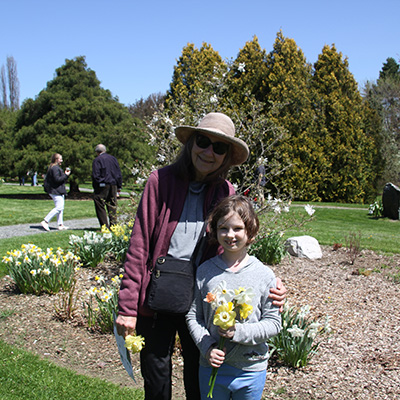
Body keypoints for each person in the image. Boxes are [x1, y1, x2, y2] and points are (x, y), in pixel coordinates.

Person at [116, 112, 287, 400]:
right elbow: (139, 245)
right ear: (191, 143)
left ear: (226, 157)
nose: (209, 152)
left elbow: (233, 244)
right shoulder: (161, 181)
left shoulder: (225, 191)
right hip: (157, 295)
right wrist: (127, 305)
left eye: (219, 148)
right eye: (203, 141)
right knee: (156, 380)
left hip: (200, 297)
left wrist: (269, 283)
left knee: (200, 381)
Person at [186, 195, 281, 399]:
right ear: (214, 230)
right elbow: (194, 316)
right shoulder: (205, 271)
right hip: (212, 366)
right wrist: (207, 347)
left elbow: (273, 323)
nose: (230, 234)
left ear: (250, 231)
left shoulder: (264, 275)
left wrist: (236, 331)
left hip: (250, 369)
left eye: (237, 228)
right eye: (223, 228)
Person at [92, 144, 122, 229]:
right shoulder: (113, 159)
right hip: (113, 184)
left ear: (97, 152)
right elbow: (118, 173)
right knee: (112, 204)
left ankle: (104, 226)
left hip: (103, 185)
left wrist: (97, 184)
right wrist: (119, 186)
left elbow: (95, 175)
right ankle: (114, 225)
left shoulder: (97, 160)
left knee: (99, 203)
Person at [41, 153, 71, 231]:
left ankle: (60, 224)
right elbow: (57, 179)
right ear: (56, 160)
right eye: (60, 159)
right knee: (59, 207)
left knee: (61, 208)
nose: (62, 160)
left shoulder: (54, 168)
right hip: (55, 190)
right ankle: (45, 221)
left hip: (57, 190)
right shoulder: (55, 168)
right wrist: (66, 175)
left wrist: (64, 175)